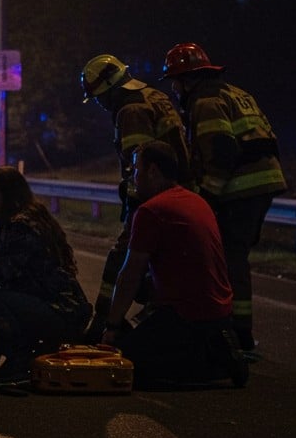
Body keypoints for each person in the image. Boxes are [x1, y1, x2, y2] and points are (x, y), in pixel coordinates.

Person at [163, 42, 287, 352]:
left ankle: (239, 334)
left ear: (187, 80)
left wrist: (206, 198)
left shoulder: (205, 102)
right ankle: (231, 327)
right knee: (233, 255)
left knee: (231, 258)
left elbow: (221, 153)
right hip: (263, 183)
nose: (175, 91)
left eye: (175, 83)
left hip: (242, 188)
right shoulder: (235, 92)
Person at [101, 141, 247, 387]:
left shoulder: (152, 211)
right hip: (219, 313)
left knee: (125, 363)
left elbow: (130, 275)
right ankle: (217, 344)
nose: (133, 177)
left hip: (186, 315)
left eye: (136, 169)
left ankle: (212, 366)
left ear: (154, 171)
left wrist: (112, 327)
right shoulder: (196, 201)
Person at [80, 54, 190, 338]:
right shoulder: (153, 95)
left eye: (99, 97)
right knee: (161, 263)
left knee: (122, 258)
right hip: (180, 194)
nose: (100, 104)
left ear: (110, 87)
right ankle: (157, 316)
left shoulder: (130, 110)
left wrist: (133, 206)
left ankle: (103, 322)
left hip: (154, 199)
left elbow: (140, 167)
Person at [0, 166, 92, 362]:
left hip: (60, 311)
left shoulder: (22, 227)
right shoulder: (12, 223)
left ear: (9, 195)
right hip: (52, 307)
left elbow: (2, 272)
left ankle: (20, 359)